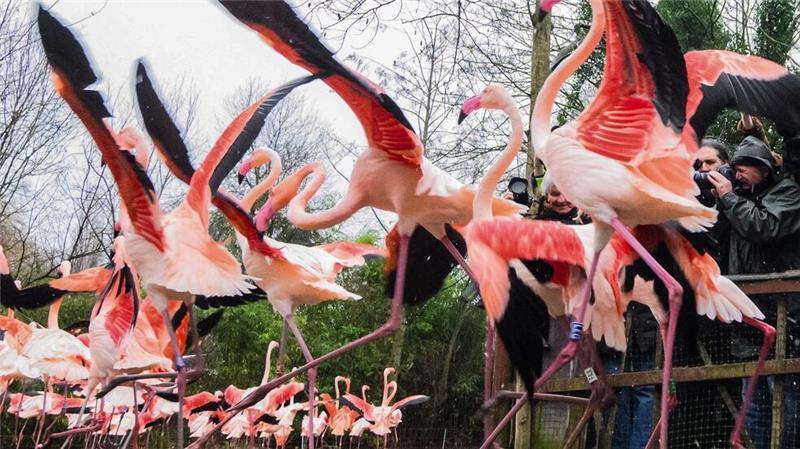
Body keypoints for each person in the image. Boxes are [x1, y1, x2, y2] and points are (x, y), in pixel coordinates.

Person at [708, 135, 800, 449]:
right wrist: (712, 201)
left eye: (745, 167)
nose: (738, 173)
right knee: (755, 403)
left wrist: (730, 197)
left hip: (787, 316)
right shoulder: (735, 200)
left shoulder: (786, 192)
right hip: (750, 321)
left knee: (786, 401)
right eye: (735, 168)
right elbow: (711, 242)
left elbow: (764, 227)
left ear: (763, 168)